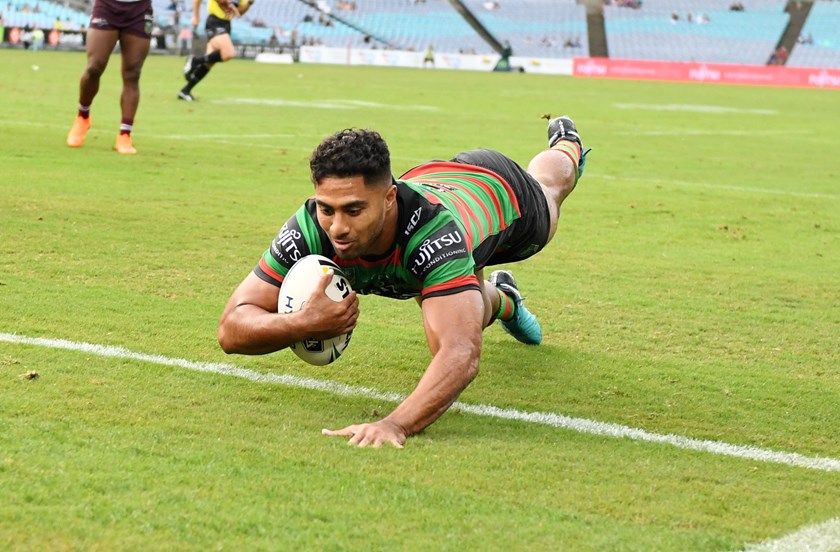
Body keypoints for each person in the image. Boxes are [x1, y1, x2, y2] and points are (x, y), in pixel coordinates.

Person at [218, 116, 590, 448]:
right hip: (435, 190)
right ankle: (505, 298)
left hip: (498, 193)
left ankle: (566, 144)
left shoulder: (432, 237)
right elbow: (231, 329)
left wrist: (395, 424)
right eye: (327, 209)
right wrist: (301, 323)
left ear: (389, 198)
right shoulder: (310, 227)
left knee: (549, 191)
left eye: (354, 210)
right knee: (458, 307)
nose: (338, 228)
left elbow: (460, 355)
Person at [65, 0, 153, 155]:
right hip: (107, 6)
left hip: (139, 9)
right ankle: (83, 116)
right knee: (94, 67)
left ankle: (125, 135)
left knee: (132, 73)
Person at [178, 0, 254, 102]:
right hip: (215, 22)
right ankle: (195, 60)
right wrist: (196, 16)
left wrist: (249, 3)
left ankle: (185, 90)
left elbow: (238, 12)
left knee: (210, 62)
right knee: (228, 53)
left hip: (226, 24)